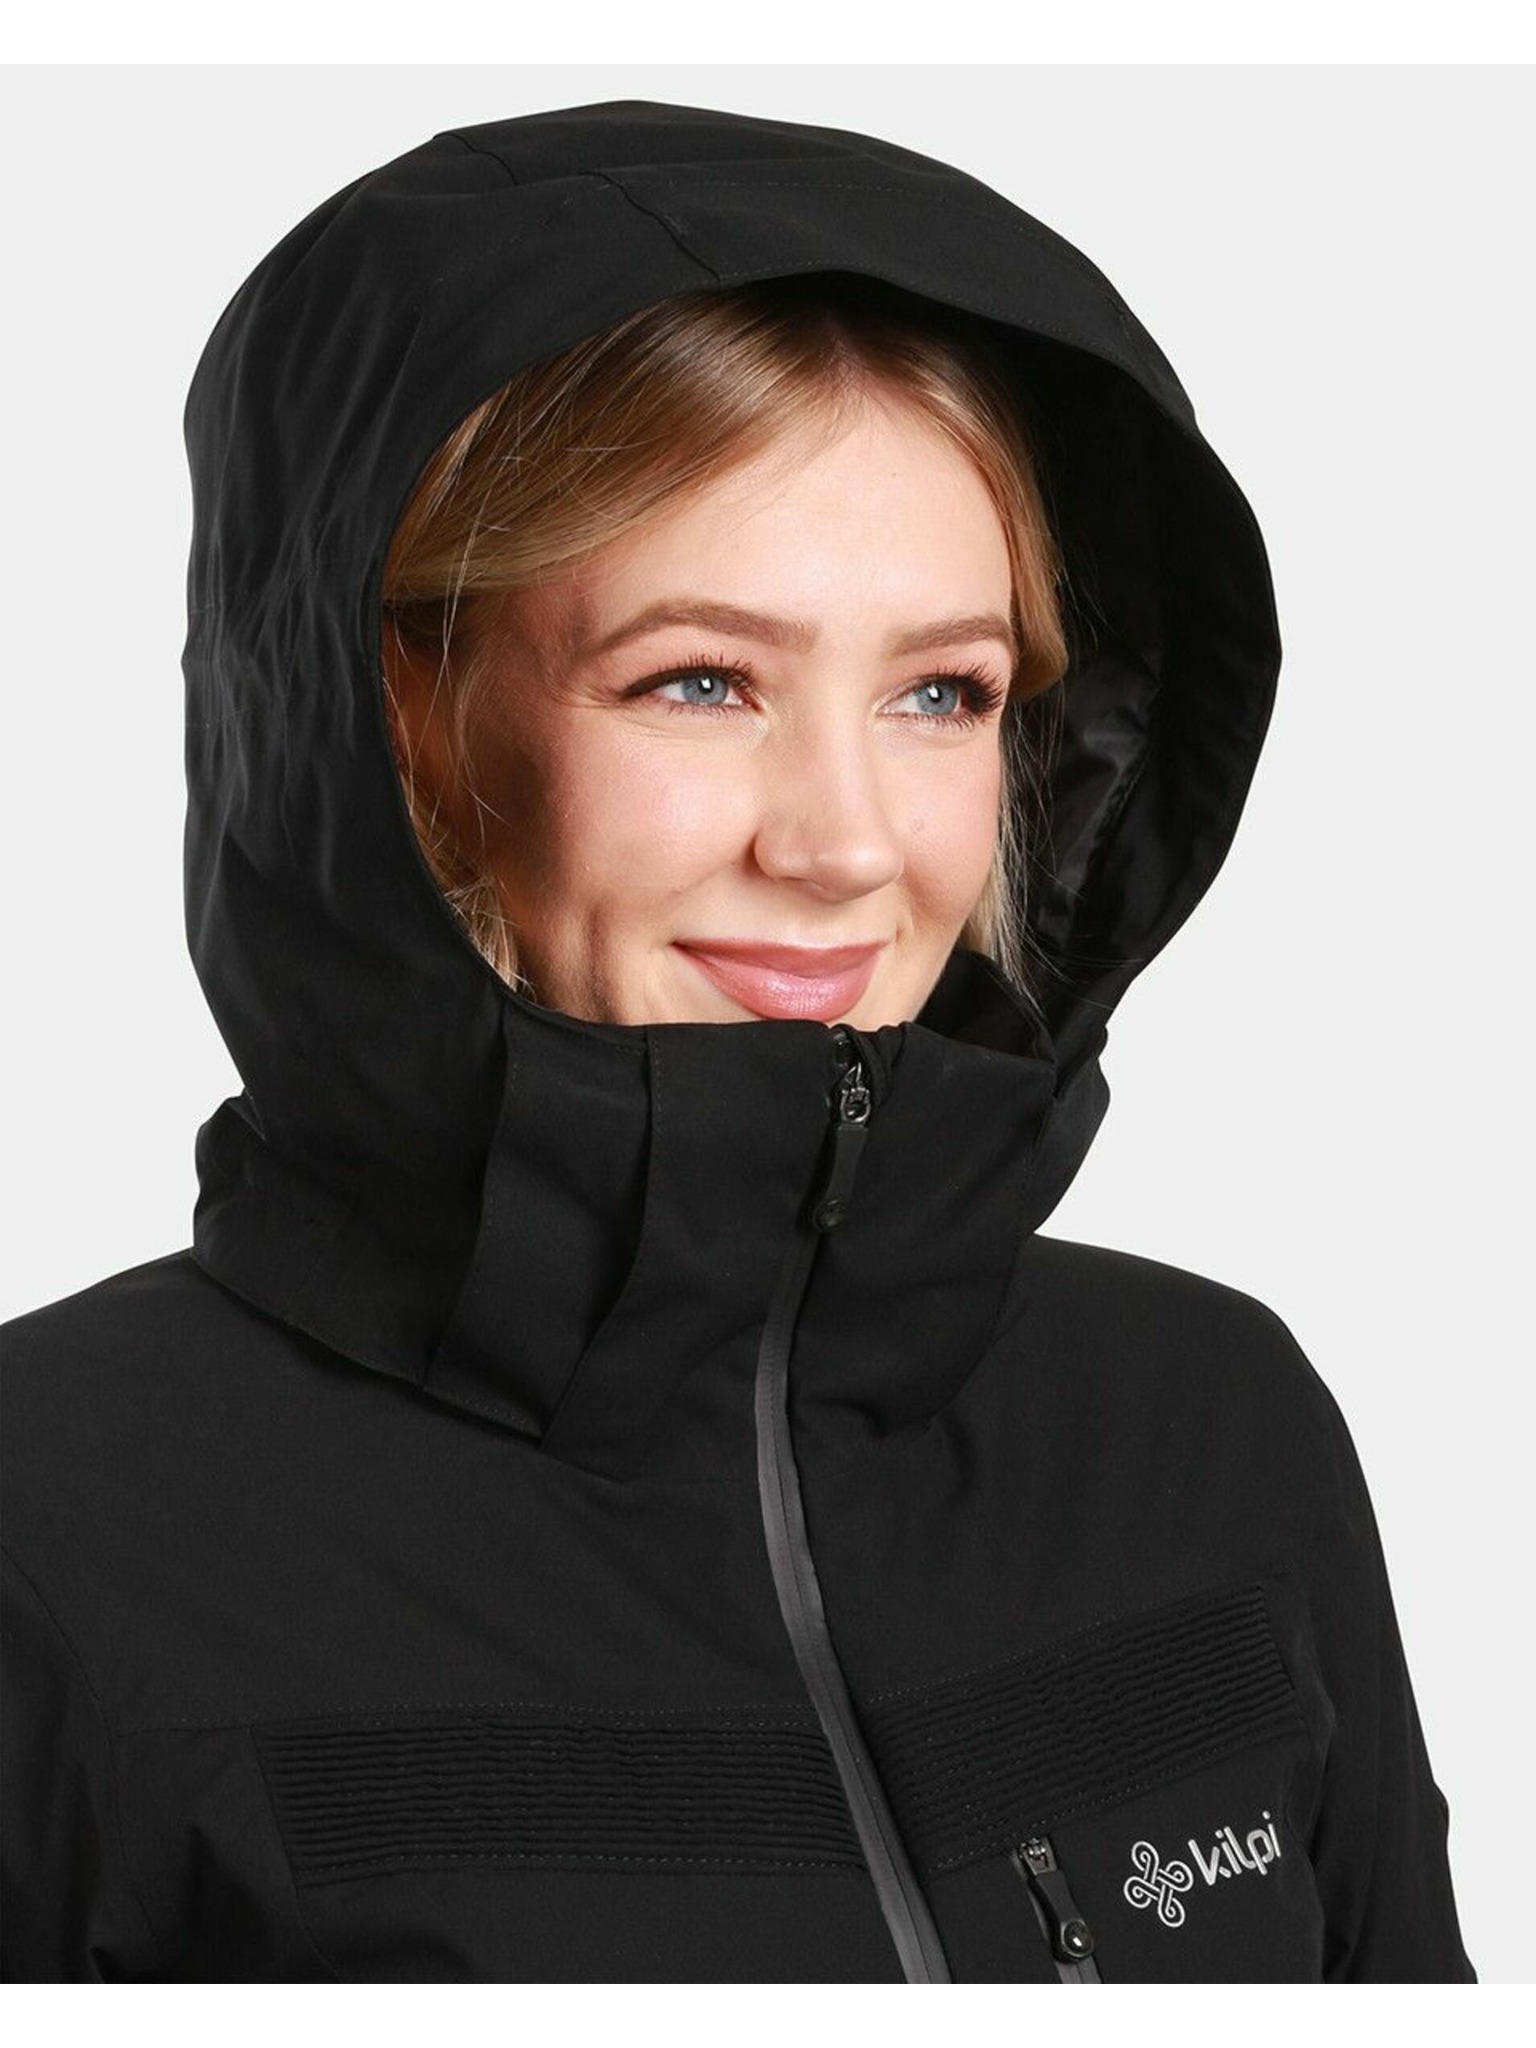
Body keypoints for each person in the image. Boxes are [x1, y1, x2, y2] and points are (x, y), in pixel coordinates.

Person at [0, 98, 1473, 1983]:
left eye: (943, 692)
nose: (847, 845)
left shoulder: (1211, 1429)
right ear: (399, 719)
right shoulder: (53, 1526)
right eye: (700, 681)